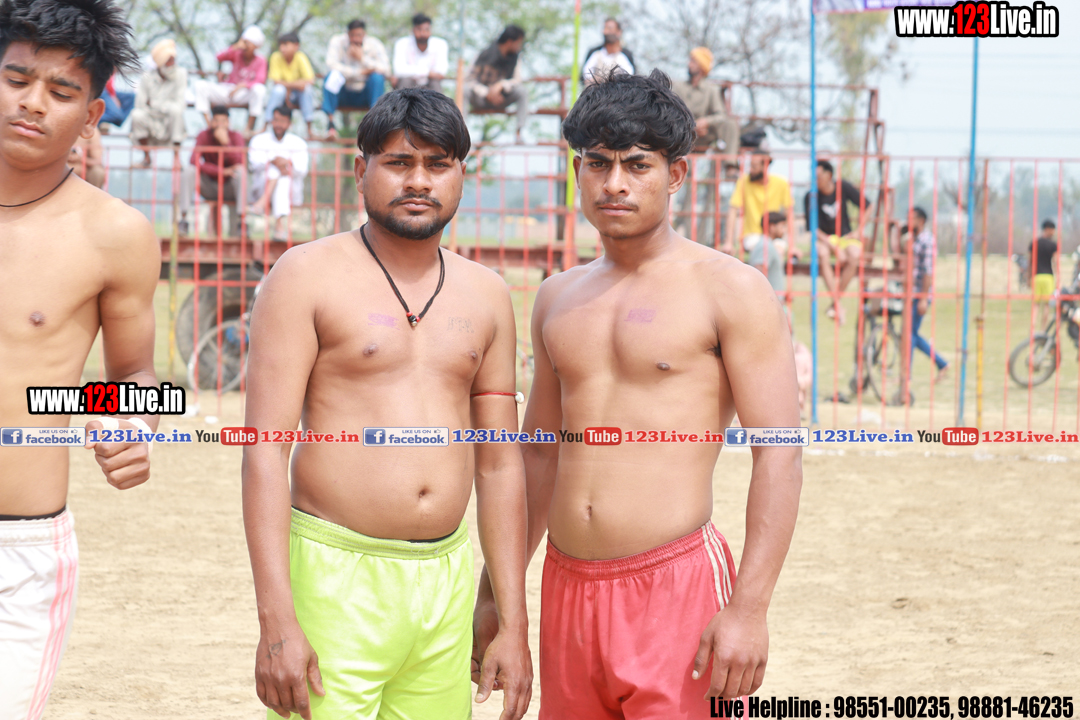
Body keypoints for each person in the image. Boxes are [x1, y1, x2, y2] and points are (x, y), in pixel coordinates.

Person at [472, 69, 803, 719]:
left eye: (637, 164)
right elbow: (538, 456)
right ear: (578, 170)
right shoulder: (556, 299)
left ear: (676, 174)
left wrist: (750, 609)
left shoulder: (730, 290)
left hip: (677, 587)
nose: (615, 183)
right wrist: (496, 597)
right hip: (568, 587)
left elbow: (780, 453)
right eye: (597, 163)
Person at [242, 87, 532, 720]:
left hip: (446, 578)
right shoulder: (304, 275)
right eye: (399, 162)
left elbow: (500, 463)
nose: (419, 181)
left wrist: (514, 619)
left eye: (438, 164)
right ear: (360, 170)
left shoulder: (486, 294)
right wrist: (277, 620)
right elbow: (263, 451)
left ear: (462, 174)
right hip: (334, 573)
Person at [0, 1, 162, 718]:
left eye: (61, 91)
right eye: (16, 79)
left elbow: (135, 378)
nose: (33, 102)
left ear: (92, 115)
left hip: (21, 552)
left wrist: (130, 422)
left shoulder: (115, 234)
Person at [672, 46, 740, 241]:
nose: (689, 64)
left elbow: (720, 115)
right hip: (684, 136)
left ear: (702, 67)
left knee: (730, 124)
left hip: (705, 136)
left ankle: (730, 164)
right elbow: (670, 111)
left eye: (693, 61)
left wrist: (705, 123)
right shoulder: (678, 87)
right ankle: (682, 233)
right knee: (686, 192)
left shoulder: (711, 90)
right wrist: (690, 126)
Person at [803, 159, 868, 324]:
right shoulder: (810, 196)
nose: (815, 180)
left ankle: (835, 303)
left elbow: (868, 205)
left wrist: (858, 231)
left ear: (829, 175)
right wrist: (832, 246)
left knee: (854, 255)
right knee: (822, 253)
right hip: (824, 238)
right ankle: (838, 305)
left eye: (818, 176)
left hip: (845, 237)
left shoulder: (842, 187)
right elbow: (812, 228)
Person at [724, 150, 795, 281]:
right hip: (752, 236)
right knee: (765, 249)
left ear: (765, 166)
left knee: (775, 249)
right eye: (750, 165)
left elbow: (789, 214)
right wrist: (729, 241)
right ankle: (761, 287)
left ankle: (771, 289)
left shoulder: (781, 183)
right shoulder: (743, 181)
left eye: (754, 166)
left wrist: (793, 244)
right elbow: (733, 210)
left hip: (774, 236)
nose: (750, 170)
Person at [180, 105, 246, 237]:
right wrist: (221, 171)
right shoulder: (203, 135)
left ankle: (242, 221)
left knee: (241, 172)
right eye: (216, 121)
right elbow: (194, 160)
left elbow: (239, 162)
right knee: (189, 171)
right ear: (211, 122)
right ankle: (183, 219)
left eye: (223, 121)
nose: (219, 125)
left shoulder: (236, 136)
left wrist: (226, 143)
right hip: (209, 185)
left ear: (228, 123)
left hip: (229, 187)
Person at [247, 105, 309, 241]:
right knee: (275, 171)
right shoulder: (258, 140)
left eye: (282, 121)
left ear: (289, 123)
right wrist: (272, 161)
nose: (278, 125)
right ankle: (279, 228)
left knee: (282, 178)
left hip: (291, 192)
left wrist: (288, 164)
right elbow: (254, 165)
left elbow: (302, 171)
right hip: (261, 187)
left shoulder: (299, 143)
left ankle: (261, 205)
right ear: (271, 121)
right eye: (276, 120)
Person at [322, 19, 390, 140]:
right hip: (343, 92)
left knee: (377, 78)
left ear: (364, 34)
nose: (355, 39)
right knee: (332, 76)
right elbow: (331, 65)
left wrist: (362, 58)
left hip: (365, 94)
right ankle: (331, 125)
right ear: (348, 34)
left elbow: (386, 69)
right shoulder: (337, 42)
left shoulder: (375, 44)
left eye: (359, 35)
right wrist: (359, 72)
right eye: (352, 35)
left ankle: (374, 125)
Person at [194, 26, 268, 134]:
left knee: (259, 90)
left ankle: (248, 129)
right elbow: (219, 57)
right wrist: (235, 47)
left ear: (256, 45)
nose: (244, 45)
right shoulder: (237, 53)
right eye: (244, 42)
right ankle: (210, 127)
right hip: (228, 90)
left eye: (248, 43)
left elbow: (260, 80)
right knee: (200, 85)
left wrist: (242, 85)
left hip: (243, 93)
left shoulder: (261, 60)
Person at [907, 207, 948, 386]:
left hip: (920, 294)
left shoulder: (927, 240)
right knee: (911, 334)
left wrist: (923, 298)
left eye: (911, 218)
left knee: (909, 334)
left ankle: (906, 376)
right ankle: (941, 363)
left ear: (921, 220)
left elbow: (928, 272)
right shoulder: (913, 239)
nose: (908, 221)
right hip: (911, 293)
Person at [130, 38, 187, 166]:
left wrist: (154, 104)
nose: (172, 64)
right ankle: (146, 157)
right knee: (137, 115)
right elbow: (140, 105)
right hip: (151, 119)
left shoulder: (181, 74)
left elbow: (179, 103)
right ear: (161, 62)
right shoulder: (147, 77)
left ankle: (177, 158)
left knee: (176, 112)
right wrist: (157, 106)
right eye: (169, 61)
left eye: (173, 60)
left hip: (169, 119)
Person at [465, 25, 528, 141]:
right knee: (464, 90)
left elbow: (517, 80)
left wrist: (501, 85)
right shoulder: (484, 55)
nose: (519, 46)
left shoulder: (515, 59)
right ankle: (461, 133)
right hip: (481, 98)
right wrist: (487, 92)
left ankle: (519, 133)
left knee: (522, 91)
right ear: (510, 42)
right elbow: (469, 79)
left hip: (501, 98)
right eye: (518, 43)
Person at [266, 32, 315, 138]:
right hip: (283, 95)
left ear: (296, 46)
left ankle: (309, 129)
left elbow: (310, 81)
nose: (282, 48)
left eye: (285, 44)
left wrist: (288, 86)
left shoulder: (301, 57)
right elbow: (276, 82)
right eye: (280, 45)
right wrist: (296, 85)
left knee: (307, 90)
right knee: (278, 90)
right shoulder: (276, 57)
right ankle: (267, 125)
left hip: (297, 95)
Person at [392, 13, 448, 91]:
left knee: (435, 83)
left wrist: (412, 72)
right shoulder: (402, 43)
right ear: (413, 30)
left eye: (426, 29)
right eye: (419, 29)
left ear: (430, 30)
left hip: (429, 84)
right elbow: (399, 70)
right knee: (405, 82)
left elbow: (441, 72)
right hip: (410, 84)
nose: (423, 33)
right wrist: (427, 73)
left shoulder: (440, 44)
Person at [580, 18, 635, 86]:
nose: (605, 32)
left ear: (618, 32)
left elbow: (630, 78)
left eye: (609, 29)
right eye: (605, 28)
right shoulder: (595, 53)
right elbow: (585, 77)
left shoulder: (625, 55)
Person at [1031, 219, 1059, 328]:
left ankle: (1033, 328)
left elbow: (1030, 261)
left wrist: (1028, 277)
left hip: (1036, 277)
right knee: (1047, 305)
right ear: (1047, 229)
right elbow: (1055, 262)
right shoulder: (1053, 245)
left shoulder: (1034, 243)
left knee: (1036, 305)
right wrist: (1058, 277)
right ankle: (1043, 330)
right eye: (1053, 230)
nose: (1053, 232)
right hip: (1048, 277)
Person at [67, 123, 105, 187]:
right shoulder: (58, 127)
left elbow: (97, 161)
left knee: (98, 172)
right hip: (59, 168)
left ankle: (93, 193)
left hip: (83, 169)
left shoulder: (92, 131)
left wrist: (80, 158)